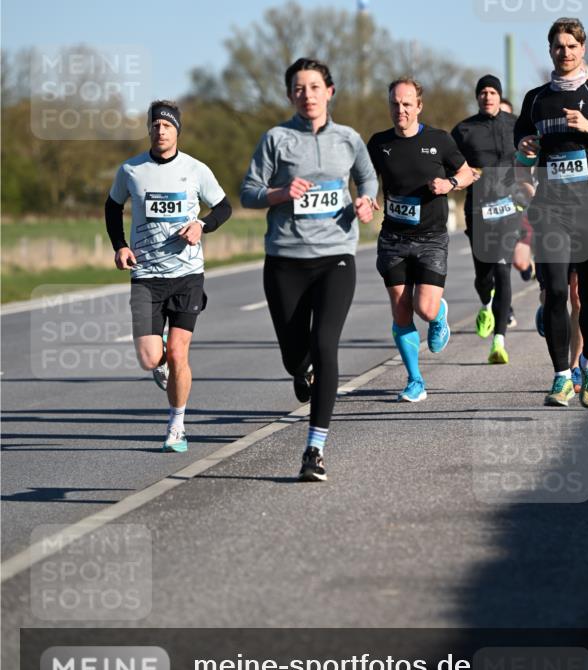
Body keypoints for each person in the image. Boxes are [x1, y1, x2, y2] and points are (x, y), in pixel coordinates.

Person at [240, 57, 377, 482]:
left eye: (315, 87)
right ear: (290, 95)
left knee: (325, 343)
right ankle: (303, 371)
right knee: (293, 355)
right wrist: (280, 193)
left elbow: (368, 180)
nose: (307, 95)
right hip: (285, 260)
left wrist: (366, 202)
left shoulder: (348, 139)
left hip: (336, 256)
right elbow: (248, 192)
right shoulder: (276, 139)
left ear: (329, 92)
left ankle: (314, 448)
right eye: (299, 88)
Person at [514, 18, 588, 407]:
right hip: (551, 209)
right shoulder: (535, 99)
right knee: (556, 292)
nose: (564, 52)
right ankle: (561, 377)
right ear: (550, 50)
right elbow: (520, 146)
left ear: (583, 50)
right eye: (558, 46)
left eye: (571, 45)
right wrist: (527, 147)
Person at [105, 99, 231, 451]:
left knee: (178, 353)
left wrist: (202, 225)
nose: (161, 130)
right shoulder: (131, 170)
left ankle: (177, 426)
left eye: (167, 125)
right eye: (156, 125)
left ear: (177, 129)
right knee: (149, 358)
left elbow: (223, 206)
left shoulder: (195, 169)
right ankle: (159, 363)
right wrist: (120, 245)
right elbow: (113, 206)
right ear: (149, 129)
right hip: (145, 274)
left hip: (187, 274)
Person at [367, 78, 474, 402]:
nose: (400, 109)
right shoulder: (378, 143)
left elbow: (468, 172)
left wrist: (450, 183)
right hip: (394, 238)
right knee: (401, 312)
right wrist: (367, 196)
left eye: (407, 104)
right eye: (395, 104)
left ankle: (439, 316)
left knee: (424, 309)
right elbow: (366, 178)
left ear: (419, 106)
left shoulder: (439, 140)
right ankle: (415, 380)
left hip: (431, 237)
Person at [452, 75, 521, 364]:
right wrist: (464, 176)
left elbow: (532, 156)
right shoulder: (464, 130)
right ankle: (485, 303)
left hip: (508, 209)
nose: (488, 96)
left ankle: (499, 341)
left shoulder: (516, 124)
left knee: (503, 270)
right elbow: (449, 165)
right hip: (478, 210)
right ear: (477, 97)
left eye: (493, 92)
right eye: (483, 92)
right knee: (484, 275)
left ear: (499, 96)